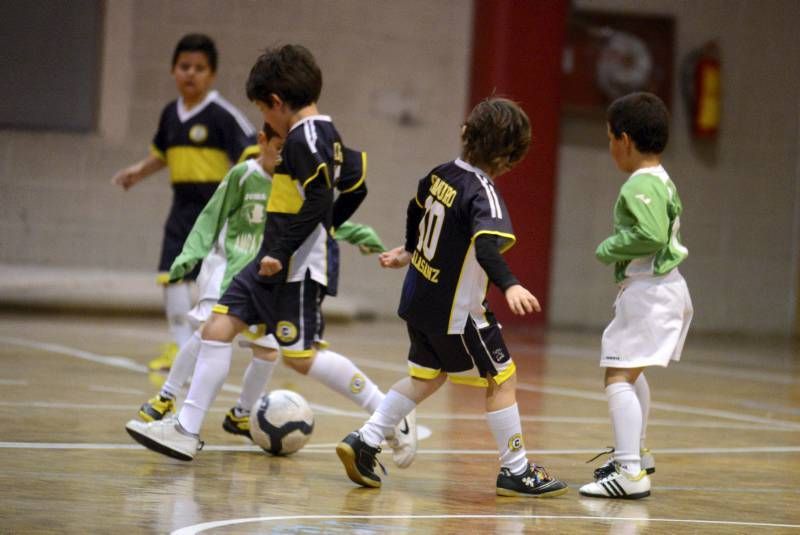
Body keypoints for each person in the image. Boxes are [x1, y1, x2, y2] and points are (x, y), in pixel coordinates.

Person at [125, 44, 416, 465]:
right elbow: (356, 182)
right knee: (217, 328)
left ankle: (388, 415)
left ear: (276, 103)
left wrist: (287, 247)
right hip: (269, 261)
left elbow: (318, 197)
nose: (263, 121)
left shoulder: (304, 137)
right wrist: (326, 228)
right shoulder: (324, 134)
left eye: (263, 111)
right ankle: (185, 430)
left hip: (294, 270)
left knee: (300, 358)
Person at [335, 97, 568, 498]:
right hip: (456, 313)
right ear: (511, 158)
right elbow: (487, 249)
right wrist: (510, 284)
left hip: (417, 302)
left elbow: (416, 206)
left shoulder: (441, 174)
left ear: (466, 133)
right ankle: (516, 469)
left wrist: (410, 250)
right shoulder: (483, 194)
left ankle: (365, 440)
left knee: (425, 377)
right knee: (502, 377)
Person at [135, 123, 387, 441]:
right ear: (263, 141)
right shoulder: (243, 175)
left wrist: (356, 233)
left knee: (267, 352)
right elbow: (211, 215)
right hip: (227, 269)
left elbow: (314, 219)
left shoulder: (292, 183)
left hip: (267, 275)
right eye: (279, 149)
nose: (283, 158)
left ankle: (242, 413)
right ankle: (167, 397)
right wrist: (191, 252)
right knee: (207, 335)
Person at [111, 33, 259, 372]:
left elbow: (253, 155)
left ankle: (212, 344)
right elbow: (161, 155)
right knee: (171, 274)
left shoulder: (224, 115)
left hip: (216, 209)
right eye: (184, 66)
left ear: (212, 75)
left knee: (211, 279)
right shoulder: (169, 114)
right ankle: (179, 348)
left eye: (199, 68)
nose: (191, 73)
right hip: (181, 206)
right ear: (173, 70)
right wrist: (136, 172)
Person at [579, 92, 693, 500]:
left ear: (624, 140)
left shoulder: (640, 184)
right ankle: (637, 456)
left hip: (651, 293)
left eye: (609, 138)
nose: (610, 146)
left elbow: (651, 235)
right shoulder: (662, 177)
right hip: (660, 290)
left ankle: (629, 471)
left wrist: (609, 248)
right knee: (630, 369)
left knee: (617, 377)